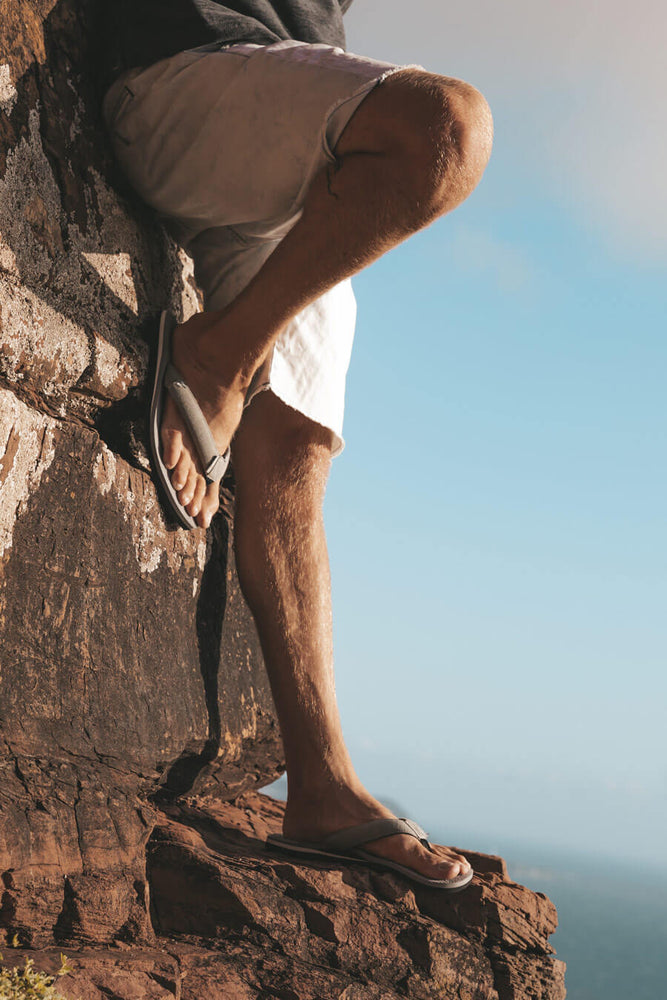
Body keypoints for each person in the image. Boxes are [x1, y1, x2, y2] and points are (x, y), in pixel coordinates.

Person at [101, 1, 493, 891]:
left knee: (298, 450)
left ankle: (320, 786)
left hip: (296, 134)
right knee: (445, 129)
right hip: (181, 73)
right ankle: (219, 355)